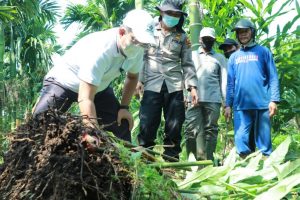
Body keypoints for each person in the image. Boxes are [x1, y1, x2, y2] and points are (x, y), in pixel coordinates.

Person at [32, 9, 156, 142]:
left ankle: (130, 160)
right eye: (135, 40)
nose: (139, 46)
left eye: (144, 43)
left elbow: (132, 77)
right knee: (38, 124)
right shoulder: (101, 49)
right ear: (122, 32)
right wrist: (92, 130)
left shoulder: (137, 50)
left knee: (123, 124)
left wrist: (124, 107)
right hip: (64, 83)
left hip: (98, 89)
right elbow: (85, 98)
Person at [136, 0, 198, 161]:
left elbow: (187, 64)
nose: (173, 17)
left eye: (177, 15)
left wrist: (192, 88)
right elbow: (141, 58)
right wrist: (139, 80)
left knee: (175, 126)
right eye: (170, 13)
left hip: (175, 85)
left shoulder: (183, 37)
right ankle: (145, 159)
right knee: (148, 122)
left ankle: (171, 161)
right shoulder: (149, 30)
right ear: (162, 13)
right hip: (152, 83)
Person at [224, 19, 280, 157]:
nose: (242, 35)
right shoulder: (234, 57)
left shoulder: (263, 52)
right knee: (240, 138)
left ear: (252, 32)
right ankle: (247, 163)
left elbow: (273, 77)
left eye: (245, 31)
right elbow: (230, 83)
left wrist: (274, 100)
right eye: (239, 32)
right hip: (241, 105)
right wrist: (227, 105)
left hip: (262, 103)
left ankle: (266, 166)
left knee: (264, 141)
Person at [185, 27, 227, 161]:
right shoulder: (191, 55)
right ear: (200, 39)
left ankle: (208, 163)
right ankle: (191, 164)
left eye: (210, 39)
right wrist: (183, 96)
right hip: (192, 98)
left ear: (214, 41)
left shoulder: (219, 58)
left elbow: (224, 80)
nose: (207, 41)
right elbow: (184, 75)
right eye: (205, 39)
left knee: (211, 131)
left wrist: (226, 103)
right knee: (191, 130)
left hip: (213, 99)